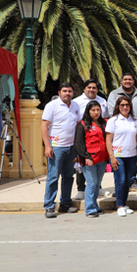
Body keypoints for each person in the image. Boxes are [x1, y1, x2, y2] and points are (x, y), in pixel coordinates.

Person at [41, 83, 81, 218]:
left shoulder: (76, 106)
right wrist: (47, 145)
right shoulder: (51, 106)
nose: (67, 93)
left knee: (68, 177)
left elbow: (77, 124)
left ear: (73, 93)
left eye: (70, 91)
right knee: (53, 177)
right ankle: (49, 206)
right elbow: (44, 126)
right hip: (56, 147)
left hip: (71, 147)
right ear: (59, 92)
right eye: (64, 91)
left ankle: (65, 204)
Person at [107, 73, 137, 192]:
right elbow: (111, 109)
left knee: (132, 160)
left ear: (134, 81)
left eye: (130, 79)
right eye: (125, 79)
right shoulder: (114, 94)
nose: (128, 81)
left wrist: (134, 121)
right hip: (120, 128)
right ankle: (119, 188)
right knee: (119, 169)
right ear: (121, 81)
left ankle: (133, 181)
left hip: (135, 126)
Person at [73, 79, 110, 200]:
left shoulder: (102, 101)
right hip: (83, 134)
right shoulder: (76, 102)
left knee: (98, 168)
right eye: (89, 87)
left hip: (98, 136)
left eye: (94, 87)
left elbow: (105, 119)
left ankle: (98, 188)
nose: (91, 90)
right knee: (82, 164)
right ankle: (80, 188)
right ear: (84, 89)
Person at [74, 101, 109, 218]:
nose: (96, 112)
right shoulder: (82, 125)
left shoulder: (104, 123)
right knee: (91, 183)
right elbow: (79, 144)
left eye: (98, 110)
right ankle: (89, 209)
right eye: (93, 110)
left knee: (97, 183)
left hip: (102, 158)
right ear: (88, 111)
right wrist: (86, 156)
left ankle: (94, 205)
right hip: (89, 160)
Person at [105, 96, 137, 217]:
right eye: (122, 105)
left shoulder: (135, 121)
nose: (125, 107)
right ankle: (119, 205)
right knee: (121, 180)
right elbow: (108, 140)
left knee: (128, 181)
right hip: (118, 155)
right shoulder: (113, 121)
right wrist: (112, 156)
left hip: (132, 155)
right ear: (118, 107)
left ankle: (124, 204)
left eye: (127, 105)